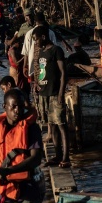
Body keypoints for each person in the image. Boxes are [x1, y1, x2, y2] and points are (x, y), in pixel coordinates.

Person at [35, 31, 69, 168]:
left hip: (55, 93)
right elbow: (42, 71)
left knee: (61, 125)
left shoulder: (57, 50)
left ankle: (66, 158)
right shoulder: (42, 52)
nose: (35, 42)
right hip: (45, 94)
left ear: (43, 36)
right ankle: (57, 155)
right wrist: (37, 83)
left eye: (36, 39)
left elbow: (63, 72)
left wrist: (61, 92)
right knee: (52, 125)